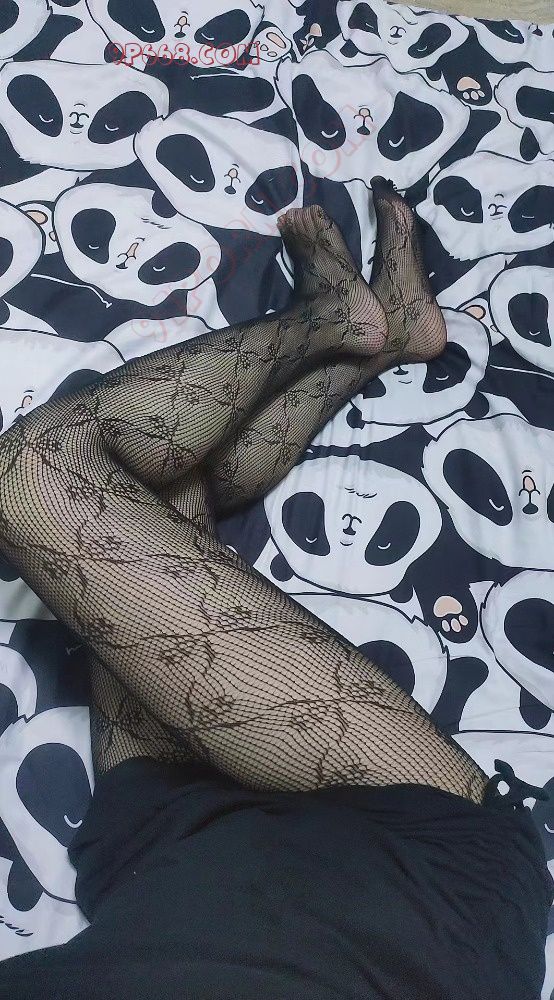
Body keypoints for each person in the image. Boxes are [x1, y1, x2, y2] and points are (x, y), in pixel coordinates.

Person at [0, 180, 550, 1000]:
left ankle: (348, 325)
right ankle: (344, 325)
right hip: (407, 881)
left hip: (162, 856)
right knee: (51, 477)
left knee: (75, 478)